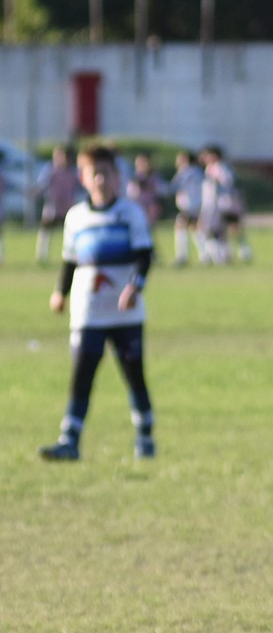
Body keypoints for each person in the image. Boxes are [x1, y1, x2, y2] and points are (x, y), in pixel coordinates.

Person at [40, 144, 157, 462]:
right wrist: (59, 293)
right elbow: (69, 261)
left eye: (107, 174)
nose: (101, 180)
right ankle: (70, 440)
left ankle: (145, 437)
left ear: (116, 177)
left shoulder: (130, 213)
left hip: (124, 314)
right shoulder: (76, 218)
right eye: (95, 174)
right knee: (81, 375)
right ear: (84, 177)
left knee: (134, 374)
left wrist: (136, 286)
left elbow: (145, 255)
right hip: (88, 312)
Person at [198, 145, 251, 263]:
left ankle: (243, 251)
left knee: (232, 227)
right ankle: (224, 255)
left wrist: (217, 182)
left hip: (225, 202)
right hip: (214, 203)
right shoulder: (209, 168)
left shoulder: (221, 167)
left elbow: (228, 183)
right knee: (220, 231)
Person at [35, 146, 82, 264]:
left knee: (71, 231)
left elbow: (80, 187)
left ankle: (73, 255)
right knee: (45, 232)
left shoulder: (73, 172)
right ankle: (42, 256)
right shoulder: (51, 170)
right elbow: (42, 184)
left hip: (68, 207)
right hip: (52, 207)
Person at [168, 150, 205, 267]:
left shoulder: (185, 172)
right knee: (195, 229)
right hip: (198, 204)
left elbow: (173, 187)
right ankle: (206, 255)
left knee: (182, 228)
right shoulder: (199, 171)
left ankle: (182, 256)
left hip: (189, 205)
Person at [126, 153, 167, 228]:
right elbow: (130, 194)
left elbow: (163, 190)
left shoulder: (154, 177)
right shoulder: (134, 178)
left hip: (151, 208)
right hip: (138, 207)